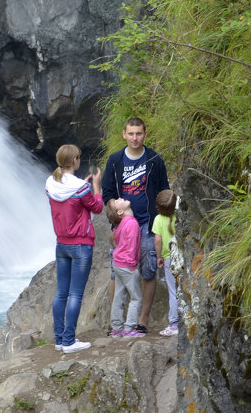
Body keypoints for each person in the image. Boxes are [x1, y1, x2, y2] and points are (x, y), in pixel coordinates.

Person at [102, 117, 169, 335]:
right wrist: (116, 220)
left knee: (148, 271)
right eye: (130, 134)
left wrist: (163, 221)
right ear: (124, 134)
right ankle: (117, 323)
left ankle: (143, 320)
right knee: (117, 273)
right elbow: (108, 194)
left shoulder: (154, 160)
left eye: (138, 133)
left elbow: (164, 191)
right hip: (123, 226)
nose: (134, 138)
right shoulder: (114, 161)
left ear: (145, 134)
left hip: (148, 224)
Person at [46, 144, 103, 353]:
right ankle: (70, 341)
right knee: (76, 294)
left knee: (61, 293)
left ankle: (59, 339)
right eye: (78, 158)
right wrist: (95, 187)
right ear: (75, 161)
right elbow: (96, 207)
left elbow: (68, 198)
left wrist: (84, 186)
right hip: (81, 245)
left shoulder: (51, 183)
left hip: (61, 244)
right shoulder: (81, 188)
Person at [106, 198, 143, 337]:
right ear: (120, 211)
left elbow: (117, 241)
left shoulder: (123, 223)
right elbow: (132, 247)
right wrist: (132, 265)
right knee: (136, 298)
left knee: (119, 296)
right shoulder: (132, 223)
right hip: (127, 265)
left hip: (117, 263)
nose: (120, 198)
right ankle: (129, 329)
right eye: (117, 201)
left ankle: (116, 328)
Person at [152, 189, 179, 336]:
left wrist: (159, 256)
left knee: (173, 292)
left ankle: (174, 324)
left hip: (168, 258)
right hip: (181, 257)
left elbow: (157, 240)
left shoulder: (158, 219)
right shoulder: (179, 217)